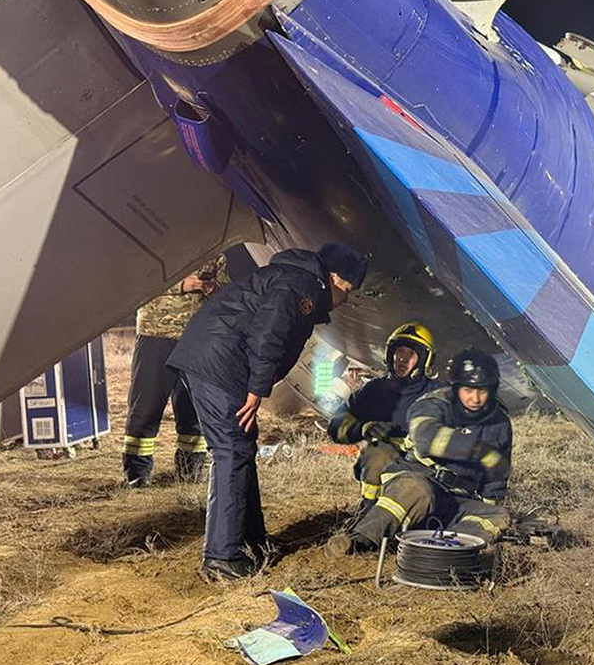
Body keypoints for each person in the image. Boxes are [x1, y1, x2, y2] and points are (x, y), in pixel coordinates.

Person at [167, 243, 367, 581]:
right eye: (348, 289)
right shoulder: (299, 286)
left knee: (242, 447)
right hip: (219, 365)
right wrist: (258, 389)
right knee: (230, 451)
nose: (347, 299)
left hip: (218, 360)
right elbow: (268, 334)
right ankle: (221, 558)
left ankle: (252, 543)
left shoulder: (293, 279)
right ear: (333, 278)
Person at [334, 348, 512, 555]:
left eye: (482, 391)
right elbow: (425, 438)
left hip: (461, 497)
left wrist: (489, 501)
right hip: (421, 478)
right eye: (468, 390)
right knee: (415, 490)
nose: (475, 398)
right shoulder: (433, 404)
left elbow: (497, 476)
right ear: (455, 388)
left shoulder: (500, 422)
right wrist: (476, 449)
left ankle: (445, 554)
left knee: (498, 516)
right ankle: (359, 541)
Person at [123, 255, 228, 487]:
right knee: (146, 405)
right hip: (155, 334)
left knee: (192, 407)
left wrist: (215, 287)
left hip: (196, 337)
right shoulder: (160, 245)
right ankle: (137, 473)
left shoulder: (215, 248)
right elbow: (138, 279)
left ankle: (191, 469)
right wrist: (182, 285)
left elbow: (226, 285)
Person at [326, 323, 440, 517]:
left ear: (424, 360)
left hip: (426, 469)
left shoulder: (438, 394)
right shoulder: (373, 390)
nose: (402, 359)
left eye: (411, 354)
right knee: (378, 453)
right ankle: (368, 510)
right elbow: (336, 425)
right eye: (399, 352)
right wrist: (363, 428)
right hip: (383, 464)